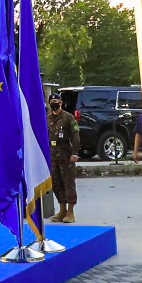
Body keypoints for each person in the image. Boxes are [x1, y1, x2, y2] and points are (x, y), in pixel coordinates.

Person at [47, 91, 81, 224]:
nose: (53, 104)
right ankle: (62, 209)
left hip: (66, 156)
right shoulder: (47, 118)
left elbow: (75, 136)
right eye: (51, 102)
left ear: (60, 102)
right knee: (56, 183)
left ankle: (70, 212)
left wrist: (74, 153)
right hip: (52, 156)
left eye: (55, 102)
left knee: (68, 183)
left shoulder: (68, 118)